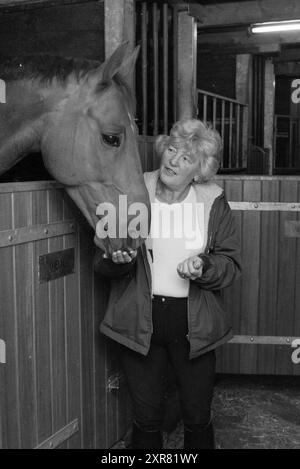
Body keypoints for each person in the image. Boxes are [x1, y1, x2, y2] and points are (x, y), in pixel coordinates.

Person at [93, 118, 241, 449]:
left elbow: (230, 265)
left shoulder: (212, 202)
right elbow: (101, 259)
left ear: (199, 170)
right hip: (139, 324)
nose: (173, 161)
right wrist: (117, 260)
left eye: (186, 158)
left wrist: (203, 266)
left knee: (197, 413)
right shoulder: (133, 193)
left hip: (196, 329)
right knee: (146, 418)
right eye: (172, 150)